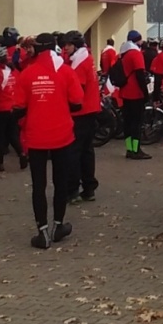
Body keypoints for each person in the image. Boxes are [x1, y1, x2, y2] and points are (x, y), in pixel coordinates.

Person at [14, 33, 85, 249]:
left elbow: (18, 108)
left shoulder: (27, 74)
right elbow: (77, 102)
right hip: (62, 135)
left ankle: (42, 232)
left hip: (36, 137)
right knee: (60, 182)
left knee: (39, 185)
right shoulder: (65, 71)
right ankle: (58, 226)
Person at [62, 30, 101, 202]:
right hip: (91, 109)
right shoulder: (87, 58)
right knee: (87, 150)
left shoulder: (78, 63)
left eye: (69, 45)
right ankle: (89, 187)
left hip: (80, 112)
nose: (66, 48)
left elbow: (78, 90)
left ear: (75, 45)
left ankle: (73, 189)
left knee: (74, 151)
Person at [0, 46, 25, 171]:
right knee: (12, 134)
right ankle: (22, 154)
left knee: (0, 136)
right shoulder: (14, 72)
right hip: (14, 108)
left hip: (0, 109)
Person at [120, 30, 151, 159]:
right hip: (135, 93)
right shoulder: (136, 54)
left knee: (127, 122)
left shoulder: (123, 54)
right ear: (137, 40)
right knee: (137, 123)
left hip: (124, 92)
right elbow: (140, 75)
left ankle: (129, 149)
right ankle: (136, 149)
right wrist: (145, 93)